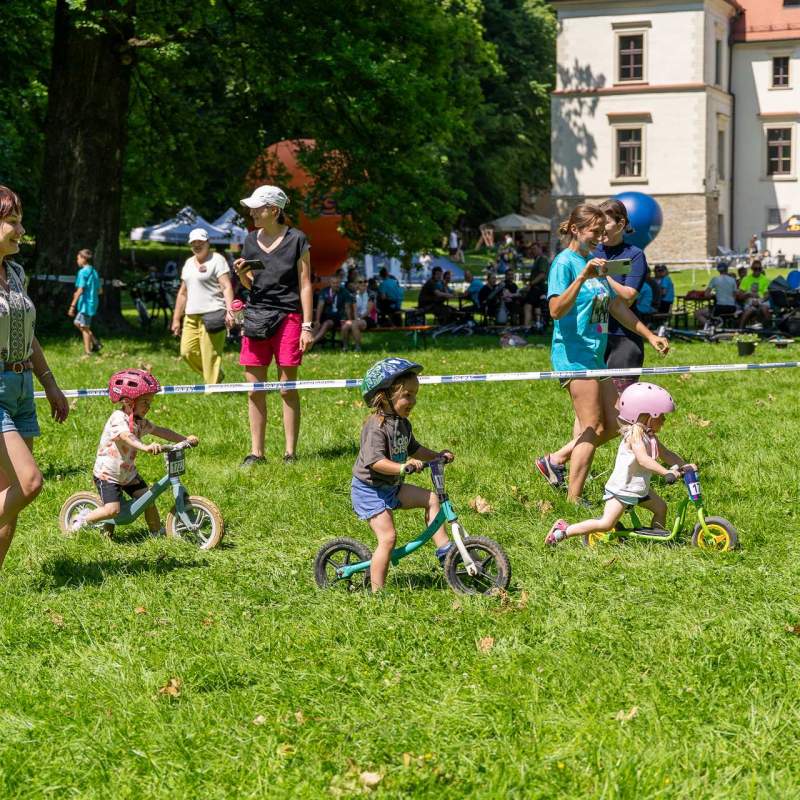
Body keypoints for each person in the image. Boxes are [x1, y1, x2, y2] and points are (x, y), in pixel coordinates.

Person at [534, 203, 669, 504]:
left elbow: (616, 307)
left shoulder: (593, 262)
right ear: (575, 229)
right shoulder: (565, 264)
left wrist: (649, 336)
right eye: (594, 232)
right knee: (593, 426)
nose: (599, 237)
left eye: (601, 231)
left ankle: (555, 461)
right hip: (573, 356)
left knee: (615, 424)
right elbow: (555, 310)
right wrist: (582, 277)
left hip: (596, 355)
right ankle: (574, 498)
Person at [0, 186, 69, 569]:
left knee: (10, 498)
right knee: (29, 484)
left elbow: (29, 336)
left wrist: (50, 383)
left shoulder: (16, 272)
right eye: (13, 221)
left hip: (23, 390)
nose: (21, 230)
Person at [545, 383, 695, 545]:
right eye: (661, 415)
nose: (664, 419)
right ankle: (563, 531)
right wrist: (666, 472)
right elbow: (643, 459)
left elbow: (666, 454)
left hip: (639, 489)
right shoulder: (634, 436)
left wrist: (685, 465)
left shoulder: (649, 436)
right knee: (606, 524)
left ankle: (657, 540)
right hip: (622, 490)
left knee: (661, 508)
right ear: (649, 416)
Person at [352, 357, 454, 591]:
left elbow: (414, 449)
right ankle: (377, 593)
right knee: (388, 538)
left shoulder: (402, 424)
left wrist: (437, 456)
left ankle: (445, 551)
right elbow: (375, 462)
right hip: (369, 491)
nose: (413, 401)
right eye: (407, 395)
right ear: (385, 395)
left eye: (415, 394)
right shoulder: (376, 427)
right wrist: (401, 467)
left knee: (432, 500)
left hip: (391, 486)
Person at [234, 185, 315, 466]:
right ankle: (256, 453)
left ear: (274, 210)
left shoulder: (297, 239)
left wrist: (307, 326)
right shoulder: (249, 240)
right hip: (256, 316)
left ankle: (290, 453)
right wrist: (242, 275)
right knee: (254, 389)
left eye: (257, 208)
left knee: (286, 388)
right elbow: (252, 284)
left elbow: (305, 284)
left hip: (289, 318)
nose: (252, 213)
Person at [70, 370, 198, 536]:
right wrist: (145, 447)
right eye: (145, 402)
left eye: (150, 402)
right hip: (108, 475)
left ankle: (156, 532)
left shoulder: (139, 422)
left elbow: (161, 431)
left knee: (148, 499)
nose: (148, 407)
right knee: (112, 510)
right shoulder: (118, 418)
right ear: (129, 402)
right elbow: (126, 436)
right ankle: (81, 520)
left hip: (128, 474)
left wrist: (185, 439)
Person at [592, 198, 648, 394]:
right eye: (597, 223)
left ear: (621, 224)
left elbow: (628, 296)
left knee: (620, 400)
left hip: (624, 337)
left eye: (605, 223)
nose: (600, 228)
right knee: (594, 402)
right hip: (594, 334)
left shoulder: (634, 255)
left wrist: (603, 275)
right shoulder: (590, 252)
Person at [171, 228, 235, 385]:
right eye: (193, 242)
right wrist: (176, 319)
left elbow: (226, 287)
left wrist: (230, 311)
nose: (197, 245)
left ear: (208, 242)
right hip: (191, 316)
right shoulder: (188, 263)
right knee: (186, 352)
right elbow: (183, 293)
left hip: (214, 314)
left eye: (200, 242)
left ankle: (211, 390)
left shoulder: (217, 259)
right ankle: (215, 376)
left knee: (210, 355)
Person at [67, 248, 102, 355]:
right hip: (92, 303)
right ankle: (96, 343)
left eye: (78, 258)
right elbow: (100, 290)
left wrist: (72, 306)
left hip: (86, 304)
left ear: (84, 258)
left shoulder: (82, 272)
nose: (77, 261)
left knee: (84, 327)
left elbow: (80, 290)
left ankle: (88, 352)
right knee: (77, 323)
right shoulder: (94, 272)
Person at [312, 272, 354, 346]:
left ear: (340, 283)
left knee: (326, 324)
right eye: (333, 283)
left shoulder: (345, 292)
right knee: (316, 325)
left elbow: (347, 308)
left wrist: (350, 320)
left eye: (337, 283)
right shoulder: (324, 291)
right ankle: (309, 341)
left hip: (339, 317)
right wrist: (317, 320)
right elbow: (320, 306)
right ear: (330, 283)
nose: (335, 285)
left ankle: (312, 343)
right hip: (326, 316)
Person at [696, 262, 738, 327]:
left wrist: (714, 295)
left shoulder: (715, 279)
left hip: (719, 308)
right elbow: (734, 295)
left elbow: (706, 294)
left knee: (698, 313)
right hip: (732, 308)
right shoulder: (733, 280)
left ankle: (709, 325)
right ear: (727, 269)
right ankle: (714, 324)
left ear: (718, 270)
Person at [341, 274, 376, 352]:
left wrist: (358, 319)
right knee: (345, 325)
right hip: (358, 318)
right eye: (360, 282)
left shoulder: (371, 294)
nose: (363, 283)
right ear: (356, 284)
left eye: (365, 281)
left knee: (354, 324)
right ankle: (345, 347)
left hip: (370, 318)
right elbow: (355, 310)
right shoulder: (354, 295)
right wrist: (356, 319)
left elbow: (368, 311)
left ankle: (358, 348)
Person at [737, 260, 772, 329]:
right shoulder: (746, 279)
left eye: (759, 269)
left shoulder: (765, 279)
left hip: (762, 300)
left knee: (764, 309)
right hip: (749, 301)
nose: (757, 271)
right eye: (755, 269)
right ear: (752, 269)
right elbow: (740, 295)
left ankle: (770, 329)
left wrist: (759, 301)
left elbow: (767, 295)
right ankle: (740, 329)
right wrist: (748, 295)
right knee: (749, 310)